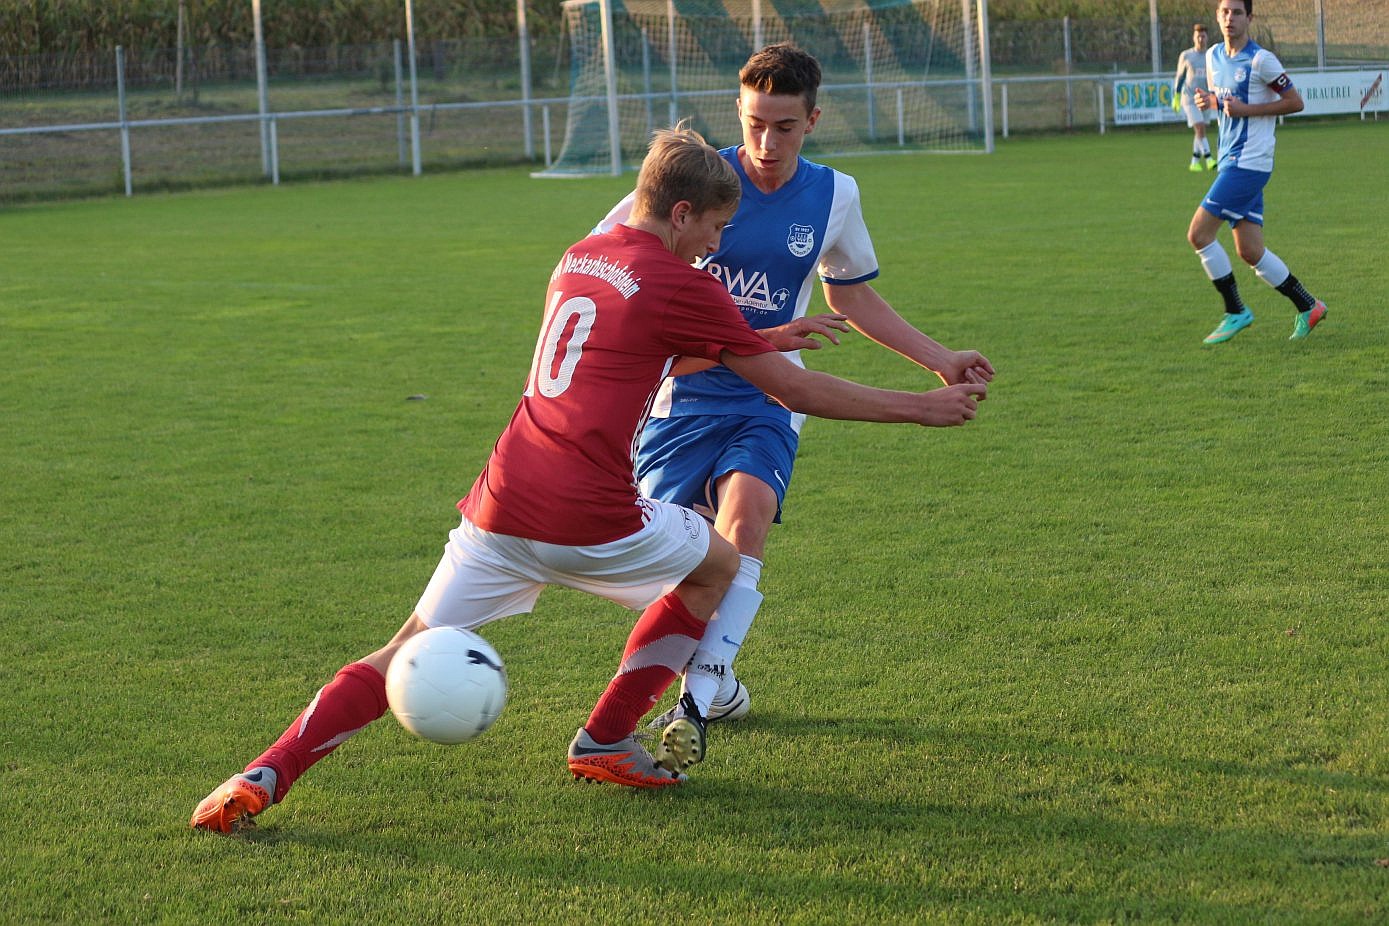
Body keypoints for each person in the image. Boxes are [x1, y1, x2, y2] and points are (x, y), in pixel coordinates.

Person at [190, 124, 988, 833]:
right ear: (681, 213)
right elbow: (793, 391)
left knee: (401, 648)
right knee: (718, 564)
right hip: (589, 515)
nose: (715, 245)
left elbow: (635, 348)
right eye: (714, 227)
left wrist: (759, 333)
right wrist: (920, 408)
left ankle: (261, 776)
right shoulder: (685, 283)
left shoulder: (580, 256)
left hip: (498, 506)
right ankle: (606, 737)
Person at [592, 44, 994, 732]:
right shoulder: (693, 181)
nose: (766, 143)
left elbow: (850, 295)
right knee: (686, 563)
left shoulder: (834, 195)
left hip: (769, 395)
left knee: (745, 517)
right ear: (737, 112)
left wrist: (939, 358)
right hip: (680, 398)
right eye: (754, 124)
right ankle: (714, 681)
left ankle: (701, 690)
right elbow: (605, 256)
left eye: (783, 126)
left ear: (812, 120)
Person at [1189, 0, 1328, 345]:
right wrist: (1211, 101)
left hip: (1250, 162)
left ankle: (1235, 310)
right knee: (1250, 250)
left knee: (1199, 234)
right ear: (1217, 16)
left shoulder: (1261, 60)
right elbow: (1226, 103)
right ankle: (1308, 305)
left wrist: (1247, 109)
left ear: (1249, 18)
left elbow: (1295, 102)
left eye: (1237, 12)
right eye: (1224, 12)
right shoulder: (1213, 56)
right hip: (1229, 159)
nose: (1229, 18)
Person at [1172, 23, 1217, 172]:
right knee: (1200, 127)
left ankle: (1194, 162)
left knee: (1200, 131)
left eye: (1203, 36)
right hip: (1190, 98)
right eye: (1198, 36)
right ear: (1193, 37)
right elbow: (1180, 77)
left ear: (1207, 37)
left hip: (1205, 98)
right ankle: (1209, 159)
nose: (1200, 39)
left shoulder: (1211, 55)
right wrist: (1176, 96)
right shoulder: (1186, 55)